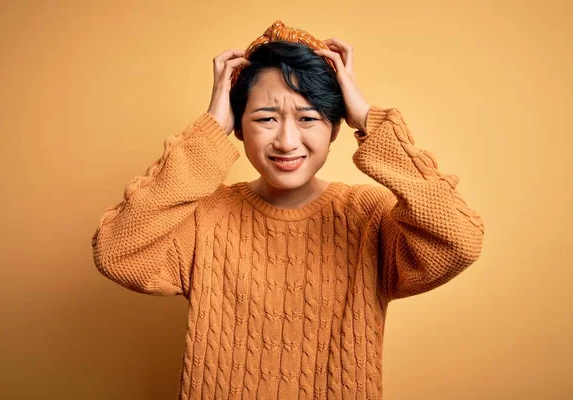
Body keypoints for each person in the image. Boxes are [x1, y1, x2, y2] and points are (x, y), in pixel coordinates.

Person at [91, 20, 485, 400]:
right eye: (266, 118)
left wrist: (368, 117)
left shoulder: (369, 217)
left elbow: (460, 241)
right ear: (239, 127)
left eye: (308, 118)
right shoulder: (203, 218)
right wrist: (209, 129)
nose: (286, 140)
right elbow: (115, 252)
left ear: (335, 128)